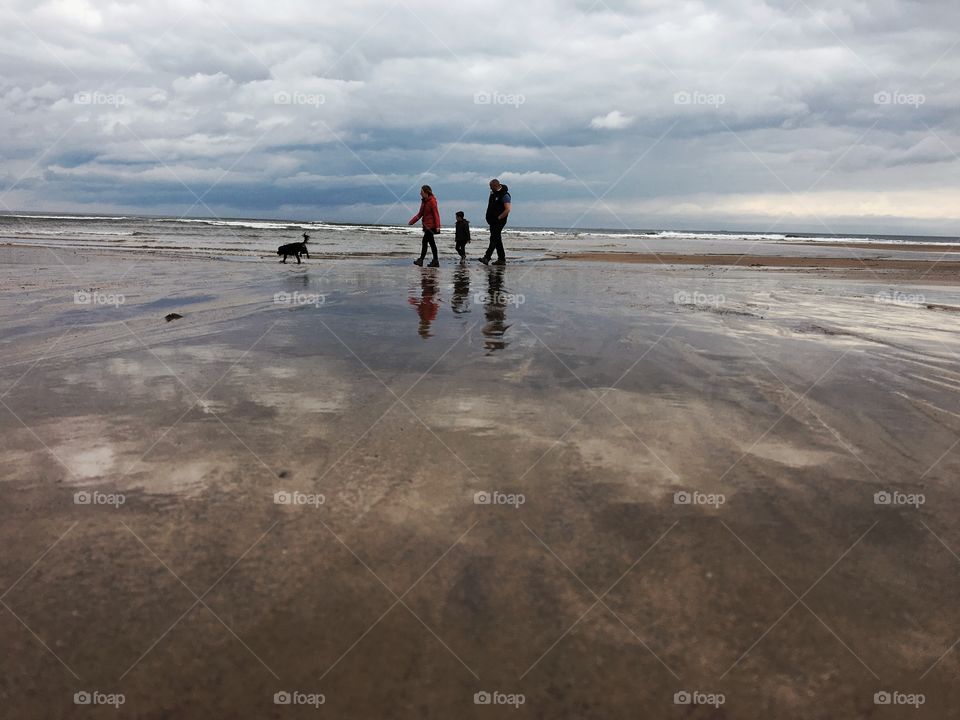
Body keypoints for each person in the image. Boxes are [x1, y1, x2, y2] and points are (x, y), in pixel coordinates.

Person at [478, 179, 511, 265]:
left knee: (493, 239)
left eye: (491, 187)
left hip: (499, 221)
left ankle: (487, 257)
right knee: (497, 239)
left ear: (496, 186)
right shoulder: (493, 193)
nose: (490, 189)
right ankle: (501, 259)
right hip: (492, 221)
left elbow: (507, 209)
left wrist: (499, 217)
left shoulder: (505, 195)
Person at [409, 185, 441, 267]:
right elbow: (420, 214)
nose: (420, 193)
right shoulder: (424, 202)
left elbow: (436, 214)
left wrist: (437, 226)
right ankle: (435, 261)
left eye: (421, 192)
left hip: (432, 226)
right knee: (431, 243)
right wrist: (412, 221)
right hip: (426, 226)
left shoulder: (432, 201)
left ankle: (421, 260)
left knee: (425, 242)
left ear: (426, 192)